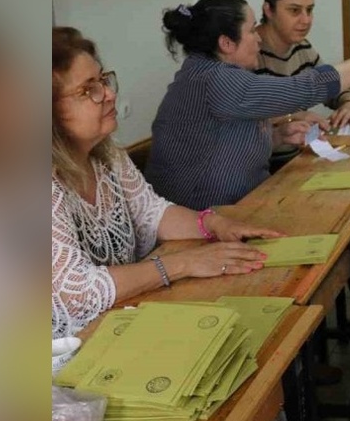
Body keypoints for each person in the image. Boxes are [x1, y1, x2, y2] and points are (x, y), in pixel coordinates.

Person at [51, 27, 278, 339]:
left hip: (113, 327)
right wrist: (181, 264)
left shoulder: (106, 155)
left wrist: (212, 224)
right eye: (88, 89)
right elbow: (78, 294)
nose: (109, 93)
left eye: (103, 80)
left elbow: (152, 212)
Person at [146, 0, 350, 209]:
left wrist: (277, 136)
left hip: (235, 207)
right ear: (226, 43)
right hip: (204, 218)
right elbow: (301, 89)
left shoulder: (207, 72)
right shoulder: (215, 80)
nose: (258, 37)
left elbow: (218, 144)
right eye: (250, 31)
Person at [256, 0, 350, 170]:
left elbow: (334, 87)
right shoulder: (248, 53)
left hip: (294, 160)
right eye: (294, 11)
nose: (306, 20)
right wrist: (291, 117)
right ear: (269, 10)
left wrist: (349, 105)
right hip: (259, 170)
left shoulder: (302, 47)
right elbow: (242, 123)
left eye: (309, 10)